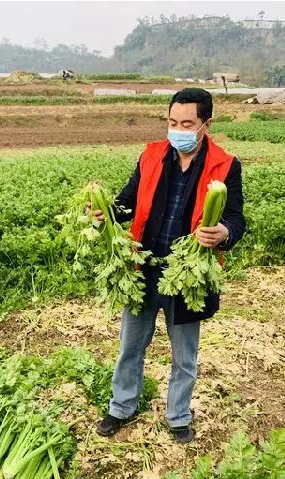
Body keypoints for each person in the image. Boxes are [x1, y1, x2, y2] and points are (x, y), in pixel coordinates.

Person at [88, 88, 246, 443]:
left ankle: (177, 416)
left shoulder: (224, 165)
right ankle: (121, 407)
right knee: (131, 346)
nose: (178, 130)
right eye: (172, 122)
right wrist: (107, 214)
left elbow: (236, 219)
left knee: (184, 355)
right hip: (142, 267)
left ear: (206, 124)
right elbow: (126, 203)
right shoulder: (151, 156)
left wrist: (224, 232)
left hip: (186, 273)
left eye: (187, 124)